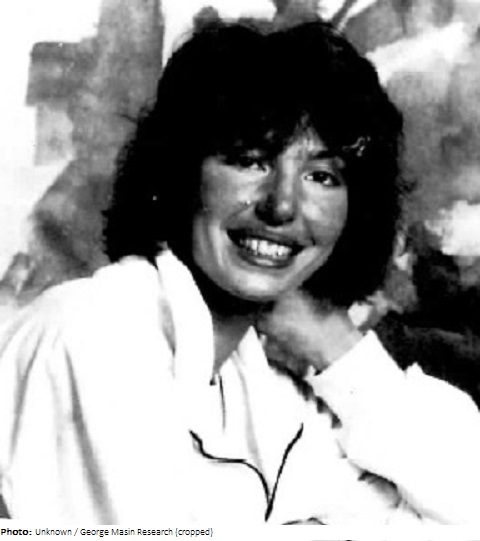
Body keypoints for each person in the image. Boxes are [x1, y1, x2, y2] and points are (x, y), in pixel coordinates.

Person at [0, 15, 479, 525]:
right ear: (180, 172)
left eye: (321, 176)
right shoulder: (93, 334)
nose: (282, 205)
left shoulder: (261, 384)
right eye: (251, 160)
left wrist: (336, 345)